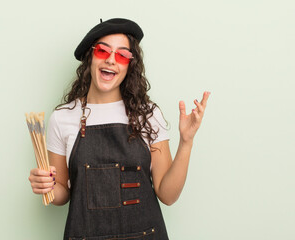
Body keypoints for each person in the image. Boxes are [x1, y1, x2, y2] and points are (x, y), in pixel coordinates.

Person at [28, 18, 210, 239]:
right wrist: (46, 186)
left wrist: (186, 141)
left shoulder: (148, 114)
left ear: (129, 66)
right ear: (90, 56)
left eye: (123, 55)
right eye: (103, 51)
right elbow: (62, 194)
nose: (112, 60)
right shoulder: (63, 118)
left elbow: (168, 195)